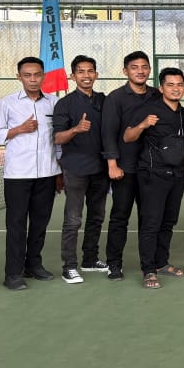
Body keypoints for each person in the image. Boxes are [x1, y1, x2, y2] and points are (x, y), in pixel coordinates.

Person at [0, 57, 61, 291]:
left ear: (43, 76)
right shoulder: (7, 103)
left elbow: (58, 139)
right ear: (19, 77)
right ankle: (13, 273)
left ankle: (33, 265)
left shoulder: (54, 103)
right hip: (18, 175)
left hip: (48, 174)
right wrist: (19, 129)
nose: (33, 79)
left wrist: (59, 170)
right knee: (17, 225)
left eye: (37, 74)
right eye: (27, 75)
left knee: (40, 223)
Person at [124, 67, 184, 289]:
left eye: (179, 84)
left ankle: (162, 263)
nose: (176, 89)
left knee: (168, 221)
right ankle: (149, 270)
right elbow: (128, 136)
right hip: (153, 176)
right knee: (151, 223)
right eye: (170, 85)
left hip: (177, 175)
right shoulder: (148, 109)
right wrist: (143, 124)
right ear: (161, 88)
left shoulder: (183, 113)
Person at [102, 51, 159, 281]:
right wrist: (112, 164)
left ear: (149, 70)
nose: (140, 71)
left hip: (151, 170)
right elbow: (108, 133)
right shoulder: (115, 98)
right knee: (120, 217)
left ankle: (150, 265)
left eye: (144, 67)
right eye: (135, 67)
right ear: (125, 71)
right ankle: (114, 264)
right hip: (125, 169)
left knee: (149, 219)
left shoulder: (156, 95)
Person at [53, 55, 110, 284]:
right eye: (81, 71)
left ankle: (90, 259)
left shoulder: (105, 101)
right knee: (73, 220)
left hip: (101, 170)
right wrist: (76, 129)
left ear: (96, 74)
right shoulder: (64, 104)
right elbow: (57, 138)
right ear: (73, 76)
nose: (86, 75)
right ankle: (69, 266)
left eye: (90, 71)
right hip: (75, 170)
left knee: (97, 217)